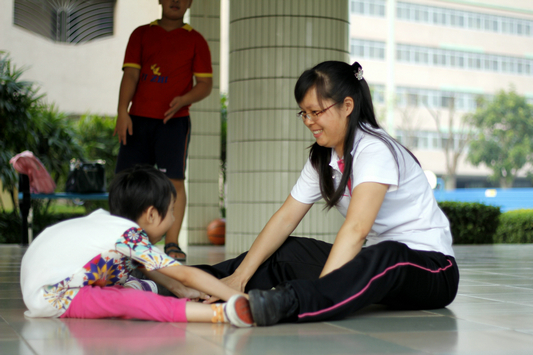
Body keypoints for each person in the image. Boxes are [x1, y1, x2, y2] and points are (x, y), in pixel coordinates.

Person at [203, 61, 459, 326]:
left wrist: (320, 292)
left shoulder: (374, 149)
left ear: (347, 106)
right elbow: (285, 218)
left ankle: (292, 302)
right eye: (303, 113)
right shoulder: (323, 158)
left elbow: (357, 229)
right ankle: (194, 283)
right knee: (286, 251)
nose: (309, 121)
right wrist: (241, 276)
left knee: (388, 254)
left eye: (315, 112)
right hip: (374, 266)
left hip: (431, 270)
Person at [20, 166, 251, 327]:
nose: (172, 219)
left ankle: (153, 294)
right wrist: (235, 296)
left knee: (134, 283)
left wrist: (182, 290)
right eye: (171, 211)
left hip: (51, 282)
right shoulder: (128, 236)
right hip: (53, 296)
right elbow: (184, 273)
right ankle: (223, 313)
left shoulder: (112, 227)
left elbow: (150, 266)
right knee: (130, 301)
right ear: (151, 214)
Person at [114, 0, 213, 261]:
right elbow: (131, 76)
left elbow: (205, 84)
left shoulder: (196, 40)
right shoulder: (141, 34)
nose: (175, 1)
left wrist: (184, 98)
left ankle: (172, 244)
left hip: (174, 122)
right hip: (137, 120)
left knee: (174, 182)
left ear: (190, 2)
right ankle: (123, 240)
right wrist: (122, 111)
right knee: (126, 181)